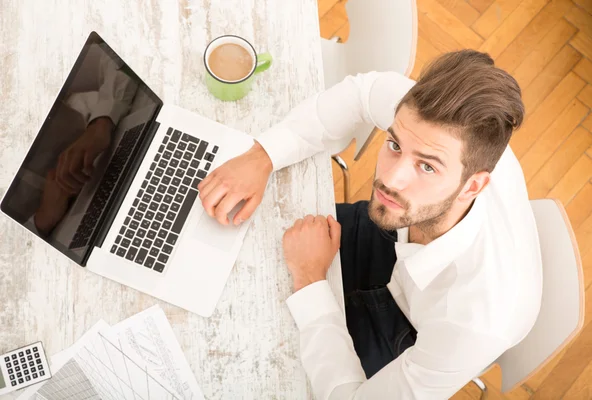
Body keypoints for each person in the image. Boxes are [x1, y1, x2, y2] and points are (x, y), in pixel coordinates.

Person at [197, 50, 543, 399]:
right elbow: (364, 93)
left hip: (413, 327)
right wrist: (263, 156)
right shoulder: (436, 134)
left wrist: (310, 281)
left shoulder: (473, 323)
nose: (390, 179)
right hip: (398, 230)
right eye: (394, 144)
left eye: (426, 167)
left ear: (473, 187)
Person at [19, 42, 138, 236]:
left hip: (117, 132)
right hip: (64, 232)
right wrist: (41, 220)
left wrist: (101, 122)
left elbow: (120, 52)